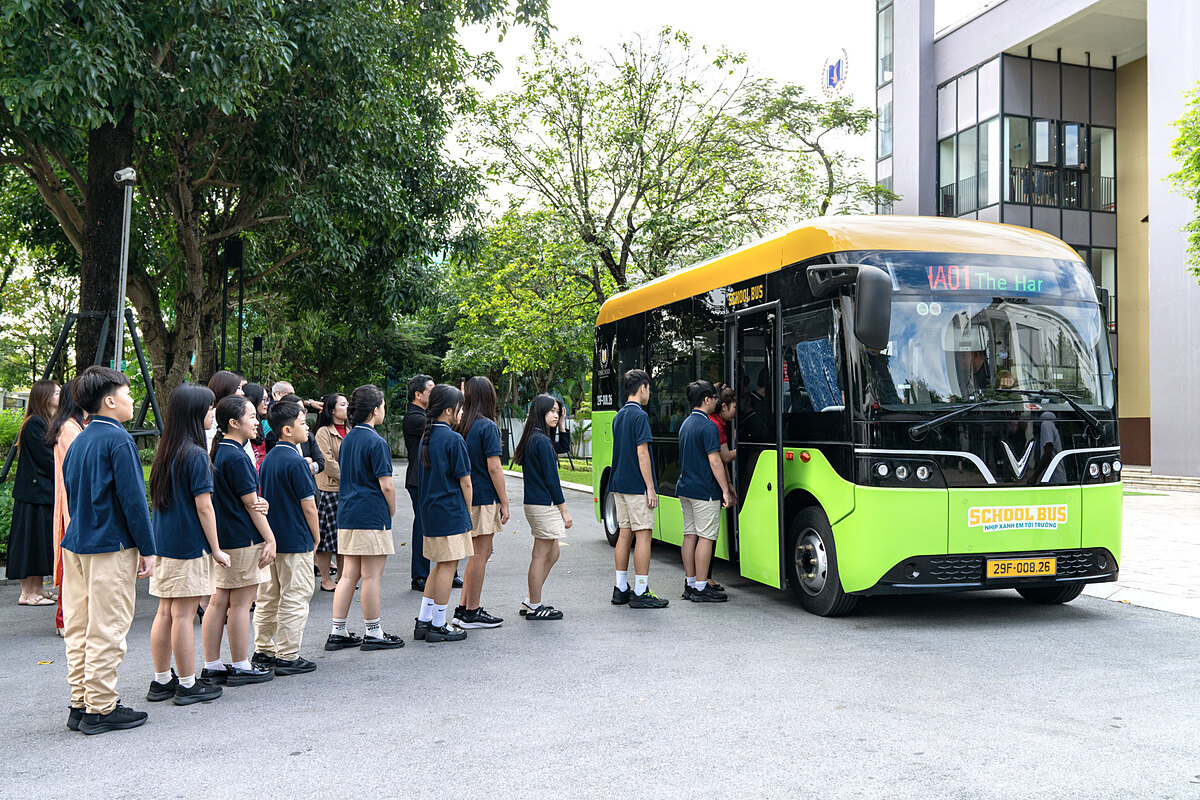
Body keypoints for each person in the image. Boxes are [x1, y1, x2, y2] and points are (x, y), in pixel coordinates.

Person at [60, 366, 157, 735]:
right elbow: (133, 500)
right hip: (110, 545)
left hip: (77, 542)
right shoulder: (119, 441)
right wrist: (148, 548)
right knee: (108, 627)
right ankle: (101, 708)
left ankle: (80, 703)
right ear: (110, 400)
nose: (133, 400)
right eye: (128, 393)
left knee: (80, 627)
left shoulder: (79, 440)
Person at [145, 383, 227, 706]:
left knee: (165, 611)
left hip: (165, 544)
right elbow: (204, 507)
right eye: (209, 409)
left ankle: (162, 680)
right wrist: (217, 549)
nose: (213, 414)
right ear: (196, 413)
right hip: (188, 546)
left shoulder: (166, 451)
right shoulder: (195, 455)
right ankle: (189, 684)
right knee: (182, 614)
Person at [199, 395, 276, 688]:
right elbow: (251, 505)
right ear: (234, 423)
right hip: (243, 539)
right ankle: (241, 665)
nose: (257, 422)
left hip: (222, 537)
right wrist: (270, 538)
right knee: (242, 604)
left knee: (219, 601)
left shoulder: (219, 452)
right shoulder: (237, 456)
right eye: (252, 416)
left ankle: (212, 665)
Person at [326, 385, 404, 652]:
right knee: (372, 576)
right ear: (375, 410)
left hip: (347, 513)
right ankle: (373, 631)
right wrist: (390, 511)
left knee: (349, 574)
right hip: (371, 514)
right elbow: (387, 485)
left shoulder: (348, 439)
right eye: (382, 406)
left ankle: (338, 630)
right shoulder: (377, 442)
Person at [253, 400, 321, 675]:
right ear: (288, 430)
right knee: (296, 595)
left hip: (272, 538)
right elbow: (309, 506)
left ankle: (264, 649)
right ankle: (288, 655)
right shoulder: (296, 461)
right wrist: (316, 538)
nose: (307, 428)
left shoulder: (269, 458)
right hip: (295, 538)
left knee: (269, 595)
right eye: (303, 424)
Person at [413, 384, 472, 643]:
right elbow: (466, 482)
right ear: (449, 410)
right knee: (448, 567)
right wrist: (467, 513)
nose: (462, 413)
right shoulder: (453, 439)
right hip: (450, 512)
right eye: (460, 408)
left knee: (437, 567)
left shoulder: (426, 438)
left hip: (430, 512)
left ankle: (424, 620)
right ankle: (439, 624)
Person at [609, 370, 668, 609]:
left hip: (618, 484)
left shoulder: (619, 416)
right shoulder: (640, 416)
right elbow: (642, 453)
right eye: (649, 389)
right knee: (644, 534)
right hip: (636, 485)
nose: (649, 394)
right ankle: (641, 591)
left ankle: (621, 588)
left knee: (625, 533)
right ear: (642, 388)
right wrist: (651, 488)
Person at [452, 377, 508, 629]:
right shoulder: (487, 427)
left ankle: (463, 608)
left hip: (468, 497)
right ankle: (472, 611)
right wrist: (505, 502)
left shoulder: (462, 425)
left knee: (475, 554)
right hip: (484, 498)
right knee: (481, 554)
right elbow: (494, 468)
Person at [513, 394, 572, 620]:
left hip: (536, 504)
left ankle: (531, 599)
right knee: (540, 555)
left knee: (553, 552)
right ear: (540, 412)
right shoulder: (540, 441)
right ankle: (535, 604)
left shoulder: (537, 438)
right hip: (543, 505)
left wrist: (563, 424)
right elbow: (552, 480)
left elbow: (563, 447)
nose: (556, 415)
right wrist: (564, 510)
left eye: (558, 411)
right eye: (551, 411)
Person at [677, 381, 734, 603]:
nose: (717, 401)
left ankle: (690, 583)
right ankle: (701, 586)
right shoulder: (708, 426)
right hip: (704, 490)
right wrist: (725, 490)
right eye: (714, 397)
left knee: (689, 535)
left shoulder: (685, 424)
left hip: (685, 488)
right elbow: (715, 461)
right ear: (707, 400)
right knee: (706, 537)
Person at [7, 380, 59, 606]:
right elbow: (46, 459)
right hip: (33, 494)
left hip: (40, 492)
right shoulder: (34, 424)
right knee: (29, 542)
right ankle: (27, 593)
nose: (61, 395)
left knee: (38, 542)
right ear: (45, 396)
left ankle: (37, 589)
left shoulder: (44, 422)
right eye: (57, 392)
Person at [47, 380, 87, 635]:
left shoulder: (74, 425)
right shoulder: (68, 429)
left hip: (73, 504)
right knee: (70, 567)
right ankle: (65, 620)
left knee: (75, 567)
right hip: (70, 507)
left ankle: (70, 619)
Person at [313, 392, 347, 592]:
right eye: (342, 404)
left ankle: (343, 577)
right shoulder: (323, 433)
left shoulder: (350, 430)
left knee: (343, 537)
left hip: (347, 489)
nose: (347, 408)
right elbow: (328, 463)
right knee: (327, 539)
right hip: (330, 488)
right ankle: (326, 578)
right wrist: (352, 476)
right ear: (331, 410)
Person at [403, 373, 434, 590]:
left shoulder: (426, 415)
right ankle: (420, 576)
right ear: (418, 394)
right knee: (423, 526)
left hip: (432, 478)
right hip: (419, 479)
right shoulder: (415, 417)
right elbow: (440, 429)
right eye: (431, 391)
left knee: (439, 524)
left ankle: (446, 571)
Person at [204, 371, 246, 454]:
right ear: (225, 389)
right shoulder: (212, 416)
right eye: (238, 388)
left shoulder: (239, 415)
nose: (243, 393)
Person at [242, 382, 269, 467]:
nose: (267, 403)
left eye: (267, 399)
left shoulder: (260, 422)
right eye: (263, 399)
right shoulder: (245, 425)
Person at [710, 386, 737, 465]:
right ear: (724, 406)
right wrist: (746, 448)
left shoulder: (714, 420)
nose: (736, 412)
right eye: (734, 407)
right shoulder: (716, 425)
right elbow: (726, 457)